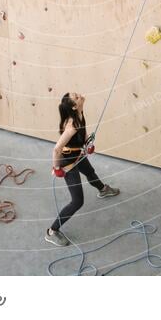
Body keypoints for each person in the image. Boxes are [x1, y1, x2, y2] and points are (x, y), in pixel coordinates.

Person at [45, 92, 120, 247]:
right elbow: (56, 149)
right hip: (68, 163)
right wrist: (57, 168)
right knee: (77, 201)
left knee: (90, 173)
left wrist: (87, 143)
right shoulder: (71, 126)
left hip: (78, 156)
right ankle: (52, 231)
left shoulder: (79, 113)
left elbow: (83, 131)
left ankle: (103, 189)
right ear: (74, 105)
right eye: (76, 97)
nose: (80, 95)